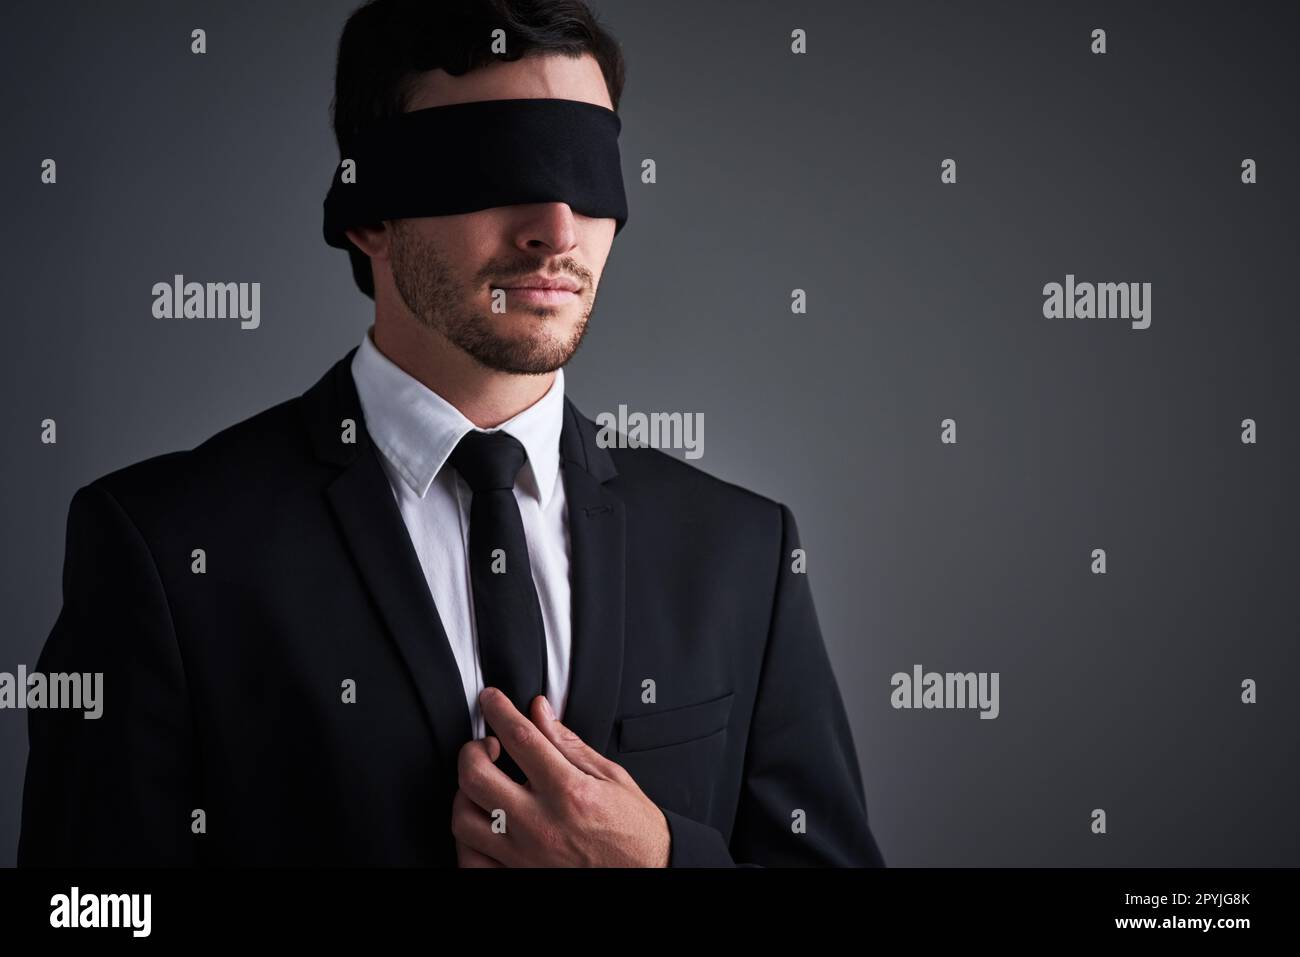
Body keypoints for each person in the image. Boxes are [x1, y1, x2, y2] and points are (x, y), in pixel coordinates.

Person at [18, 0, 885, 868]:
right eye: (497, 164)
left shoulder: (742, 553)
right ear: (368, 214)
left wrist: (659, 864)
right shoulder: (168, 551)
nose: (556, 224)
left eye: (590, 171)